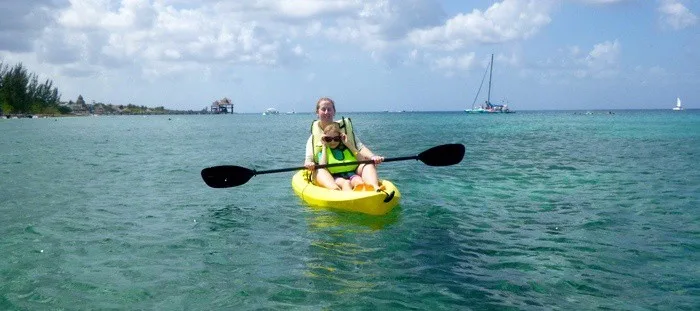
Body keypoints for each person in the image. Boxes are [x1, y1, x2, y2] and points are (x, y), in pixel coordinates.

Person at [304, 97, 384, 191]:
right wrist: (309, 164)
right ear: (317, 112)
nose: (326, 112)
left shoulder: (344, 131)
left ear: (334, 112)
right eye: (323, 109)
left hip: (352, 170)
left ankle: (374, 188)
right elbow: (308, 159)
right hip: (329, 172)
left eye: (329, 109)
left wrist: (373, 157)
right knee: (319, 170)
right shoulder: (313, 138)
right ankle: (336, 189)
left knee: (368, 163)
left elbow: (360, 147)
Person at [316, 123, 364, 191]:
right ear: (324, 139)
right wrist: (324, 146)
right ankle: (349, 198)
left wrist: (348, 144)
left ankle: (365, 194)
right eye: (328, 139)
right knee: (346, 182)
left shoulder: (347, 149)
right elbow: (322, 166)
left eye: (336, 139)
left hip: (351, 174)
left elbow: (362, 160)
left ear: (340, 138)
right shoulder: (323, 152)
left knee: (358, 181)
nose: (333, 142)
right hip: (336, 177)